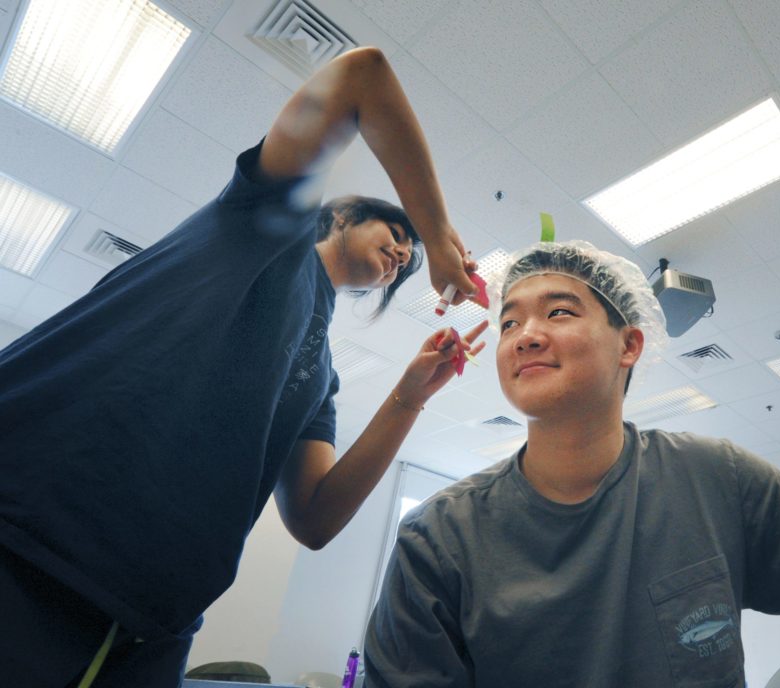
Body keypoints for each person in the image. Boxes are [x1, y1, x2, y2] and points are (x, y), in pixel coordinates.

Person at [0, 47, 486, 686]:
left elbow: (313, 519)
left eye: (410, 255)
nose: (403, 250)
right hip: (25, 541)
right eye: (395, 232)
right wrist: (439, 231)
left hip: (149, 623)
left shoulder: (322, 377)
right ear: (339, 215)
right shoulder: (260, 225)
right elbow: (360, 77)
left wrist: (409, 398)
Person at [363, 240, 780, 688]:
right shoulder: (437, 539)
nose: (525, 335)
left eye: (560, 312)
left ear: (629, 344)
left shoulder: (711, 478)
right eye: (510, 321)